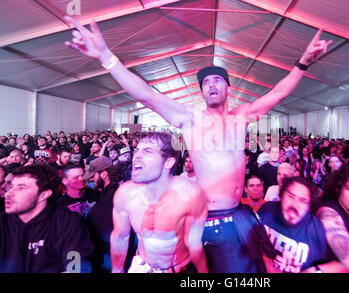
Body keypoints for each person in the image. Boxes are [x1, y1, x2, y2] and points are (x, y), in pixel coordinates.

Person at [65, 16, 331, 273]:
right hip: (208, 216)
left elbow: (278, 93)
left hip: (239, 212)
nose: (210, 85)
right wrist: (106, 57)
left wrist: (303, 63)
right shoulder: (191, 119)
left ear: (228, 88)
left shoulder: (242, 116)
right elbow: (146, 95)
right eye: (204, 83)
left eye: (216, 80)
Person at [110, 132, 208, 273]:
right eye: (137, 150)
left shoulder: (190, 194)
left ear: (168, 162)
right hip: (142, 267)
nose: (136, 156)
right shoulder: (125, 194)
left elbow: (193, 244)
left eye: (147, 151)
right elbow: (120, 237)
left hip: (178, 269)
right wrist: (116, 270)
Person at [0, 165, 94, 273]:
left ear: (44, 195)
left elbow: (76, 268)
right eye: (11, 187)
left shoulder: (67, 222)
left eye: (21, 188)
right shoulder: (3, 222)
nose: (8, 193)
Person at [259, 176, 346, 273]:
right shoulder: (266, 210)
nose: (294, 205)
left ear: (310, 206)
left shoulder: (317, 230)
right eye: (290, 196)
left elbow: (340, 265)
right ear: (282, 196)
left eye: (303, 201)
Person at [83, 156, 137, 273]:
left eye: (93, 175)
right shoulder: (110, 196)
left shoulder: (104, 207)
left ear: (103, 174)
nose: (91, 179)